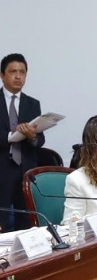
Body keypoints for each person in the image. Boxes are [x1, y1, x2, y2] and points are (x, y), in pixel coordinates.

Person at [1, 53, 46, 231]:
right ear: (2, 75)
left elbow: (40, 140)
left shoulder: (32, 104)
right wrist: (12, 135)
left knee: (27, 223)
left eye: (22, 72)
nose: (18, 76)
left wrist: (32, 136)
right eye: (13, 72)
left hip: (26, 170)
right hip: (2, 169)